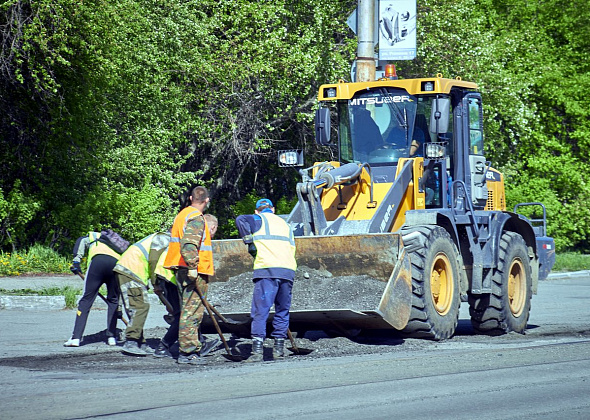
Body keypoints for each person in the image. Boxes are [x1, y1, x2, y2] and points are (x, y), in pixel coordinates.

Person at [235, 198, 297, 362]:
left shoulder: (258, 219)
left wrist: (249, 242)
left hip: (267, 270)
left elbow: (240, 219)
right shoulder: (286, 225)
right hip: (287, 270)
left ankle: (257, 351)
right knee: (282, 311)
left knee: (260, 311)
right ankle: (278, 349)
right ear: (273, 209)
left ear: (257, 211)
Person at [164, 186, 218, 365]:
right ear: (206, 200)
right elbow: (188, 244)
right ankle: (188, 352)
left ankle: (187, 348)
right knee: (192, 312)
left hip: (180, 268)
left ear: (190, 198)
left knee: (187, 310)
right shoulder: (196, 218)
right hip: (193, 270)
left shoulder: (182, 215)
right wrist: (193, 267)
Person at [153, 214, 219, 360]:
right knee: (183, 316)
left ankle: (199, 343)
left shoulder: (189, 233)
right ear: (212, 227)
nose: (212, 235)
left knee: (190, 312)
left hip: (169, 275)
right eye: (214, 231)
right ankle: (163, 346)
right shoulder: (195, 235)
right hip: (169, 278)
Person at [64, 231, 128, 347]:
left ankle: (76, 338)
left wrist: (76, 261)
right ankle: (112, 337)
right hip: (116, 265)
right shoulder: (120, 246)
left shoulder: (96, 236)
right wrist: (118, 310)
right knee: (113, 300)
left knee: (86, 300)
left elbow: (81, 241)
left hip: (97, 263)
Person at [113, 232, 171, 356]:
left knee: (138, 305)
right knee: (139, 307)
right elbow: (154, 260)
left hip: (130, 270)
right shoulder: (164, 238)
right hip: (131, 270)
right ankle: (131, 341)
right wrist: (156, 283)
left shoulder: (162, 237)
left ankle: (140, 342)